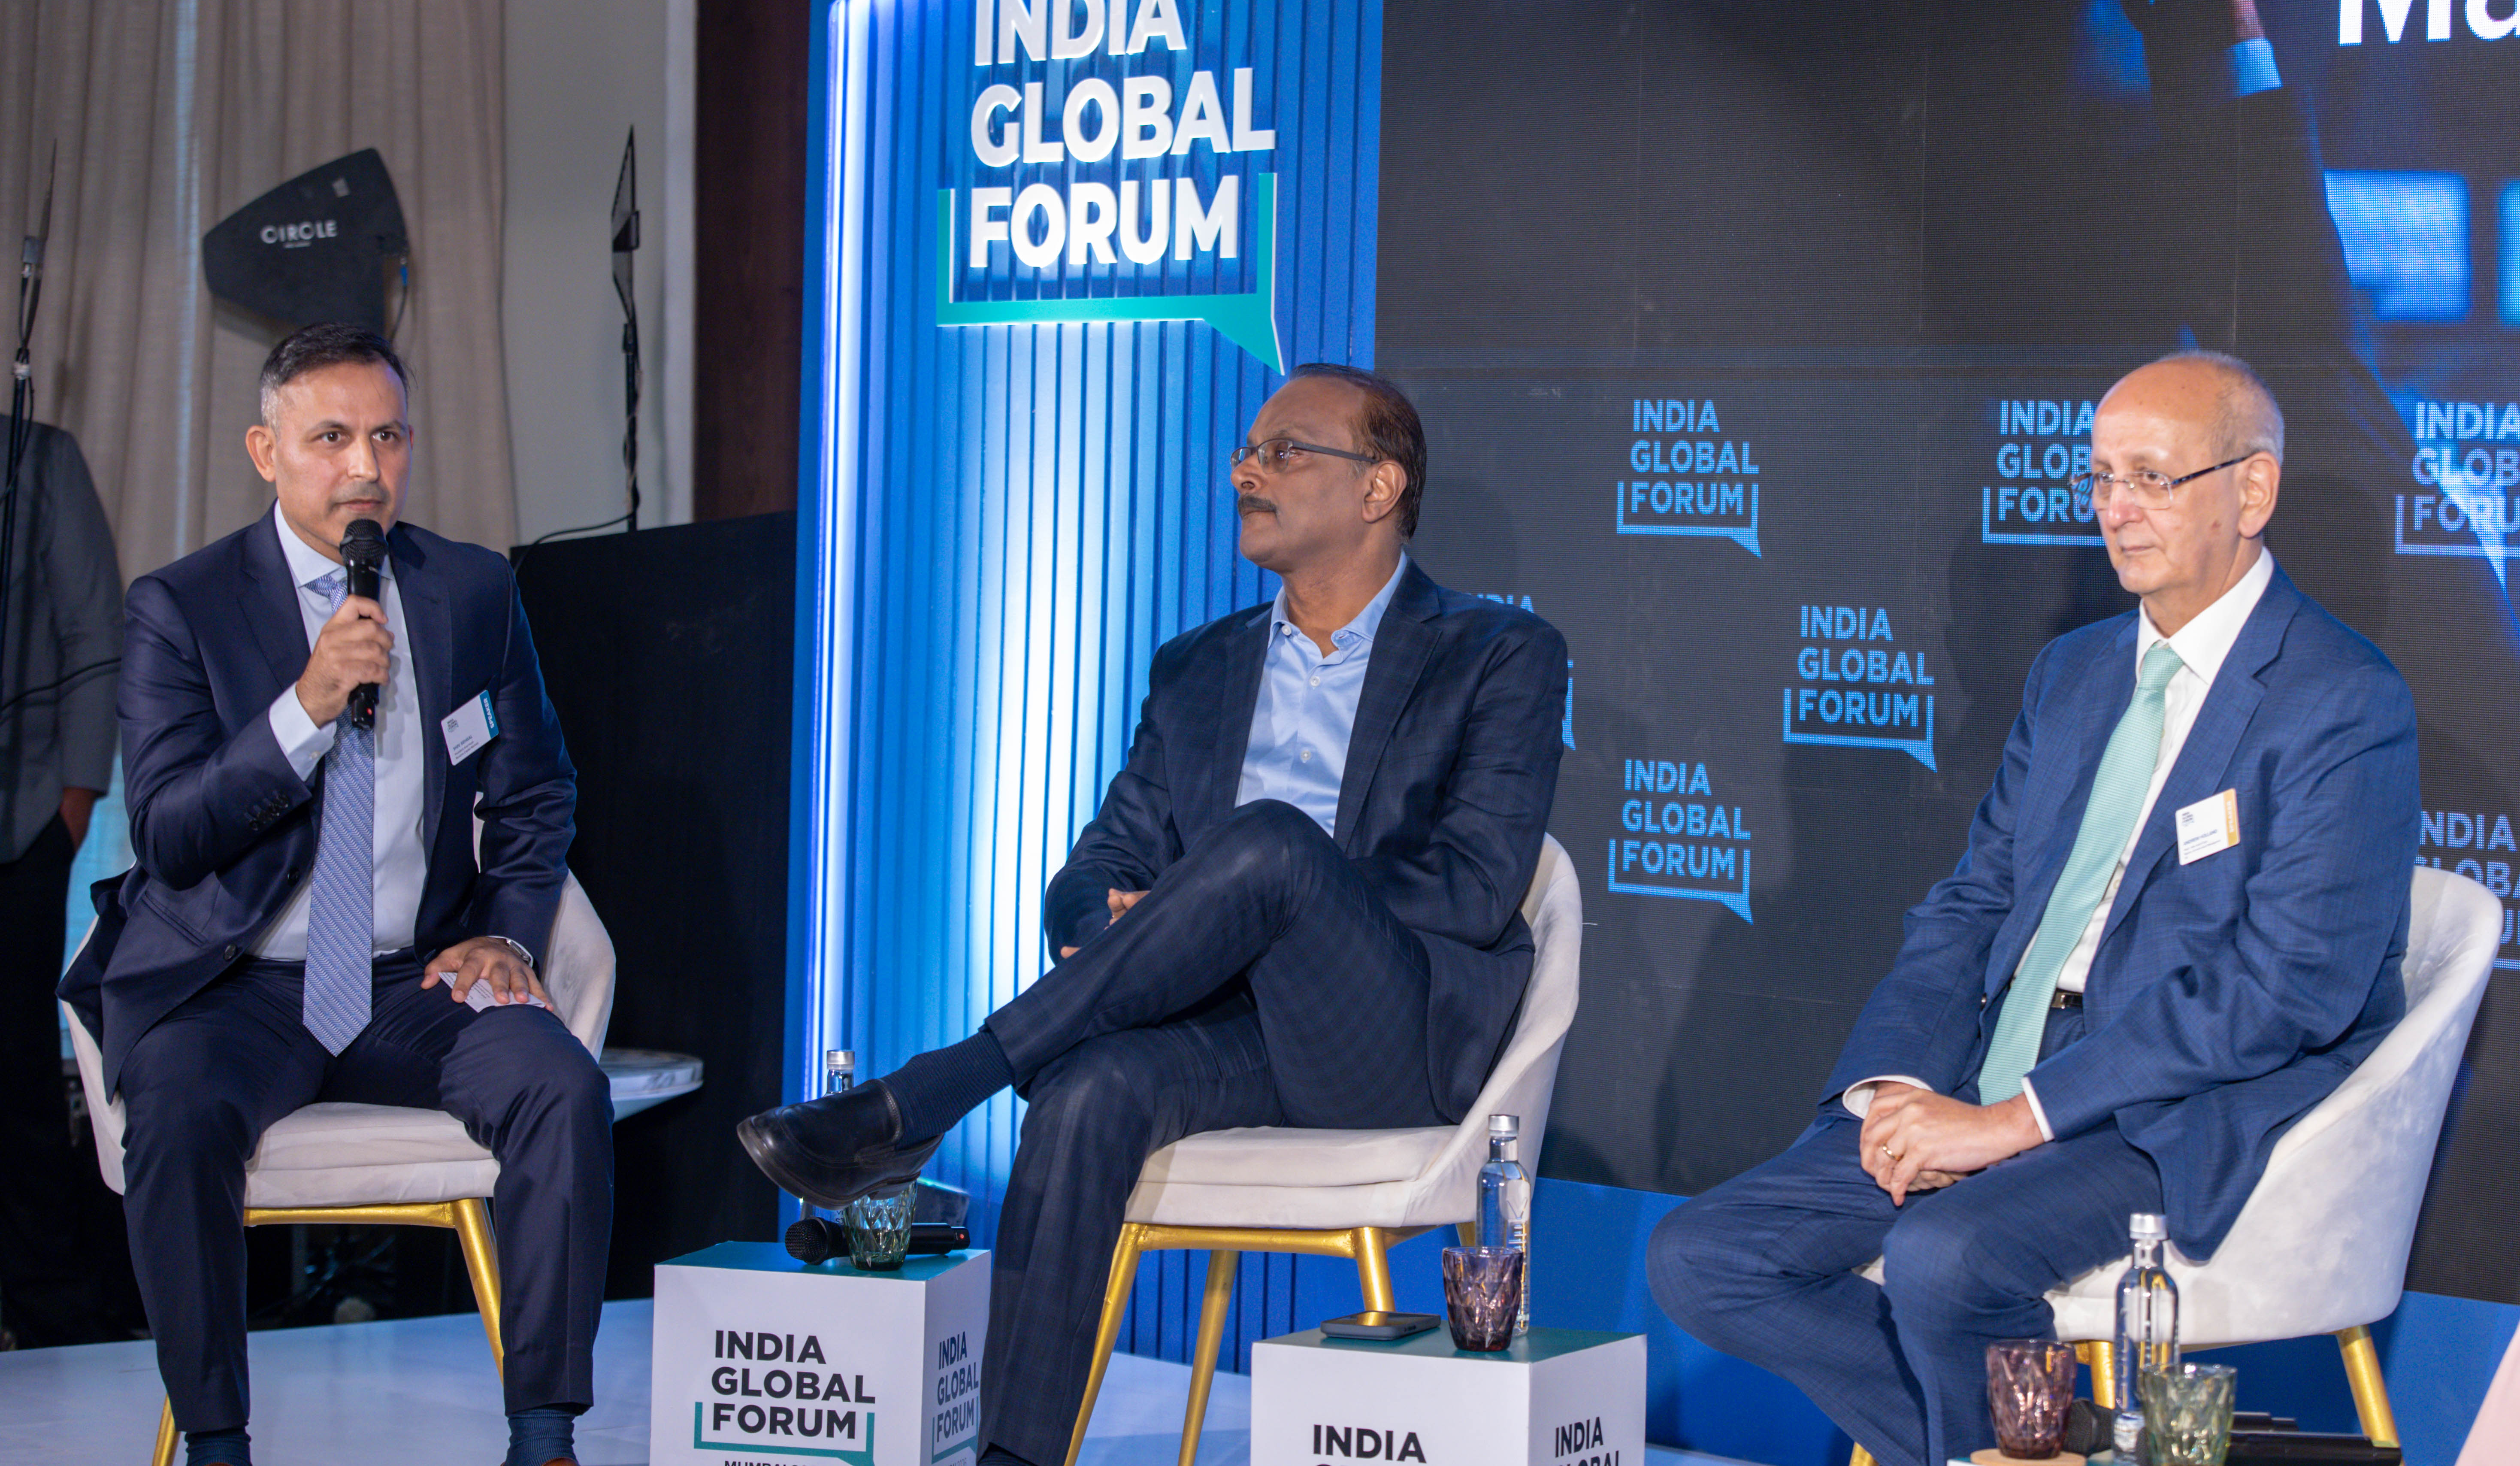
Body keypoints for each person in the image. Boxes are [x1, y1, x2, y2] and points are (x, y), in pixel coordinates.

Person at [739, 362, 1570, 1466]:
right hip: (1226, 1029)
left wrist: (1261, 891)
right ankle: (1014, 1456)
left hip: (1388, 1038)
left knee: (1271, 844)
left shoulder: (1499, 652)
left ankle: (931, 1093)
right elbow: (1100, 867)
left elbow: (1473, 883)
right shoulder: (1198, 666)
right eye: (1246, 451)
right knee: (1086, 1088)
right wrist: (1126, 918)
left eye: (1284, 451)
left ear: (1379, 487)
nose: (1245, 472)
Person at [1647, 352, 2418, 1466]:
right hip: (1991, 1072)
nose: (2116, 508)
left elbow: (2284, 988)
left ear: (2252, 490)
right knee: (1705, 1254)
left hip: (2166, 1108)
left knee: (1946, 1258)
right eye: (2100, 476)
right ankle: (2032, 1443)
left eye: (2152, 476)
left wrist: (2020, 1119)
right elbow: (1975, 901)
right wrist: (1899, 1084)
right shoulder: (2075, 672)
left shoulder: (2341, 698)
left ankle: (2017, 1440)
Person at [58, 324, 611, 1466]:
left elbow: (535, 788)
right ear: (266, 451)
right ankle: (217, 1439)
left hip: (413, 978)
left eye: (388, 436)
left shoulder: (471, 589)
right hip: (236, 982)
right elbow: (169, 832)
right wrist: (303, 709)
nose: (366, 466)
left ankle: (545, 1433)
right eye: (332, 437)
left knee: (560, 1083)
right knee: (177, 1113)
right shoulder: (182, 605)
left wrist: (507, 935)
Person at [0, 416, 123, 1348]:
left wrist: (74, 802)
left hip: (22, 819)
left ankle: (49, 1313)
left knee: (16, 1080)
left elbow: (93, 634)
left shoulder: (38, 459)